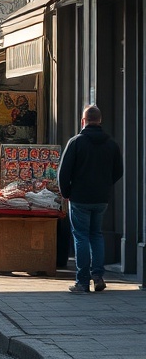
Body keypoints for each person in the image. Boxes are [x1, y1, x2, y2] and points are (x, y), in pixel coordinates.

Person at [57, 105, 123, 293]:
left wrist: (66, 192)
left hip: (79, 198)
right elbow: (119, 171)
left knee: (81, 237)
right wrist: (105, 184)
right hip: (101, 198)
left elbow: (64, 172)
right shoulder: (111, 143)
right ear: (100, 121)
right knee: (96, 235)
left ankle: (82, 282)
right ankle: (98, 275)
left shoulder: (76, 142)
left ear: (83, 121)